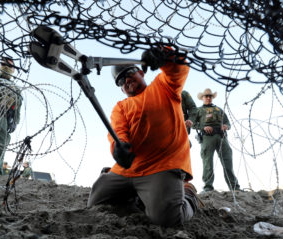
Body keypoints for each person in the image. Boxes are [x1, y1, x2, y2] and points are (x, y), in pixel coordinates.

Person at [87, 47, 203, 227]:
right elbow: (117, 130)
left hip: (162, 166)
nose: (126, 80)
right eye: (120, 81)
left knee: (167, 221)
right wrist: (118, 147)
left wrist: (165, 55)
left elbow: (179, 68)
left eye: (129, 73)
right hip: (127, 169)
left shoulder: (164, 86)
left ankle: (189, 194)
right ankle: (137, 193)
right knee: (96, 204)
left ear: (141, 72)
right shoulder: (121, 106)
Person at [192, 88, 240, 192]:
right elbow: (192, 124)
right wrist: (203, 128)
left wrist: (225, 126)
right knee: (207, 163)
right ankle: (208, 187)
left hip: (221, 136)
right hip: (207, 138)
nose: (208, 98)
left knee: (228, 161)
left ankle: (235, 187)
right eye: (206, 96)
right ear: (203, 98)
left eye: (210, 96)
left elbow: (228, 122)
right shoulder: (198, 111)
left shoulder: (219, 110)